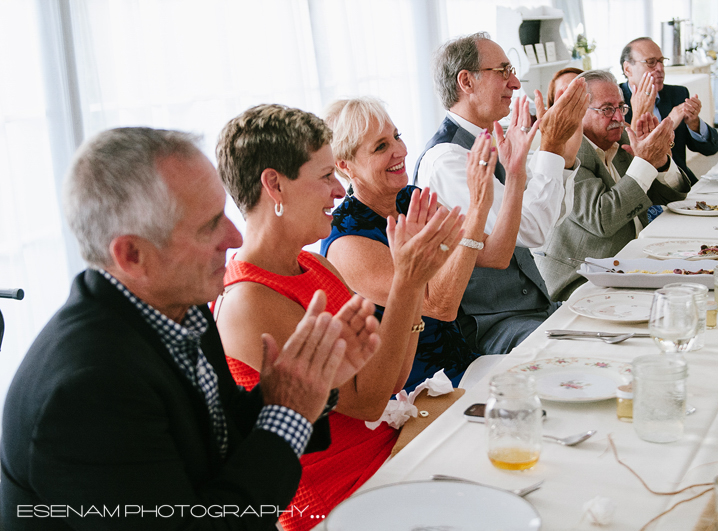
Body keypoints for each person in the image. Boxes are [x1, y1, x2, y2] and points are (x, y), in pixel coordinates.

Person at [1, 127, 381, 529]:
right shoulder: (88, 391)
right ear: (132, 255)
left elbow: (221, 433)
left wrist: (307, 384)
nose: (234, 237)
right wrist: (288, 412)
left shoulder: (179, 304)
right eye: (209, 226)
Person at [214, 104, 463, 531]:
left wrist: (412, 292)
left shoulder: (316, 267)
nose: (337, 190)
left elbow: (391, 381)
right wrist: (408, 284)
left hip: (388, 454)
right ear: (274, 185)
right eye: (325, 176)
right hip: (339, 497)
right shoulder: (248, 301)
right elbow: (366, 400)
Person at [414, 31, 588, 355]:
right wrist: (550, 149)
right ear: (466, 81)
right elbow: (532, 231)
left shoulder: (492, 138)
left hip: (532, 309)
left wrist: (561, 159)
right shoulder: (447, 160)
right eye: (504, 71)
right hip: (489, 327)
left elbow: (546, 220)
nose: (516, 83)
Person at [321, 96, 506, 392]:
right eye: (381, 146)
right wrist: (477, 208)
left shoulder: (411, 200)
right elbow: (439, 307)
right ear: (346, 166)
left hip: (464, 365)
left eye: (397, 137)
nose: (400, 151)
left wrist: (517, 171)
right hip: (416, 389)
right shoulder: (346, 240)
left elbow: (497, 255)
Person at [536, 70, 692, 301]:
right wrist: (644, 162)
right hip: (583, 278)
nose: (619, 117)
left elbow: (670, 197)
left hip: (631, 261)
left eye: (621, 107)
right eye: (607, 109)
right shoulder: (566, 152)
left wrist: (659, 163)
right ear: (578, 111)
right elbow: (602, 218)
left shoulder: (620, 140)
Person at [620, 37, 718, 185]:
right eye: (651, 62)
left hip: (677, 182)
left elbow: (712, 149)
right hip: (638, 185)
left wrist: (694, 123)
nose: (660, 69)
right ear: (628, 69)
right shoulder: (615, 101)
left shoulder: (677, 94)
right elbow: (624, 157)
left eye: (661, 61)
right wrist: (668, 124)